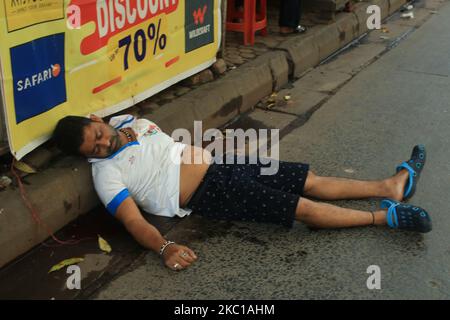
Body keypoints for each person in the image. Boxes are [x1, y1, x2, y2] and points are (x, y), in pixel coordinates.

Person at [52, 114, 432, 271]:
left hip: (222, 162)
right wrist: (163, 247)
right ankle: (383, 217)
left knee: (308, 179)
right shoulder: (106, 175)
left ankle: (390, 186)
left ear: (97, 119)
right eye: (95, 149)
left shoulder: (128, 121)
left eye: (98, 135)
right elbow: (133, 220)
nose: (104, 145)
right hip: (210, 191)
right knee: (299, 207)